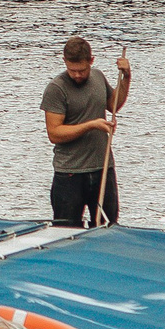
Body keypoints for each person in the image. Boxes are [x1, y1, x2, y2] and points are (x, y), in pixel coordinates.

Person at [42, 36, 131, 228]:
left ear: (91, 61)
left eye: (82, 70)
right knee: (64, 232)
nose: (77, 75)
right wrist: (91, 125)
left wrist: (126, 78)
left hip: (102, 168)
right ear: (64, 61)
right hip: (69, 174)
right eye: (72, 70)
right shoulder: (56, 88)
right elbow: (54, 133)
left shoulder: (98, 77)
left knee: (107, 227)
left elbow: (114, 105)